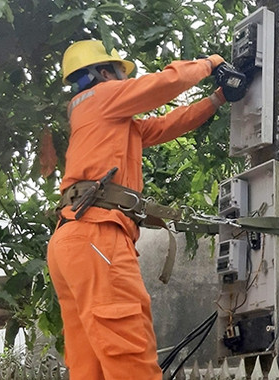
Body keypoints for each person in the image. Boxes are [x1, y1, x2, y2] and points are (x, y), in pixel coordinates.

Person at [47, 39, 246, 379]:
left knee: (88, 364)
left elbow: (168, 125)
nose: (126, 83)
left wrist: (218, 99)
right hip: (98, 234)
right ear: (104, 72)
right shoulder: (103, 97)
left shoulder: (105, 120)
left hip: (73, 238)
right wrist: (209, 63)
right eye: (121, 76)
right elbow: (163, 85)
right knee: (131, 357)